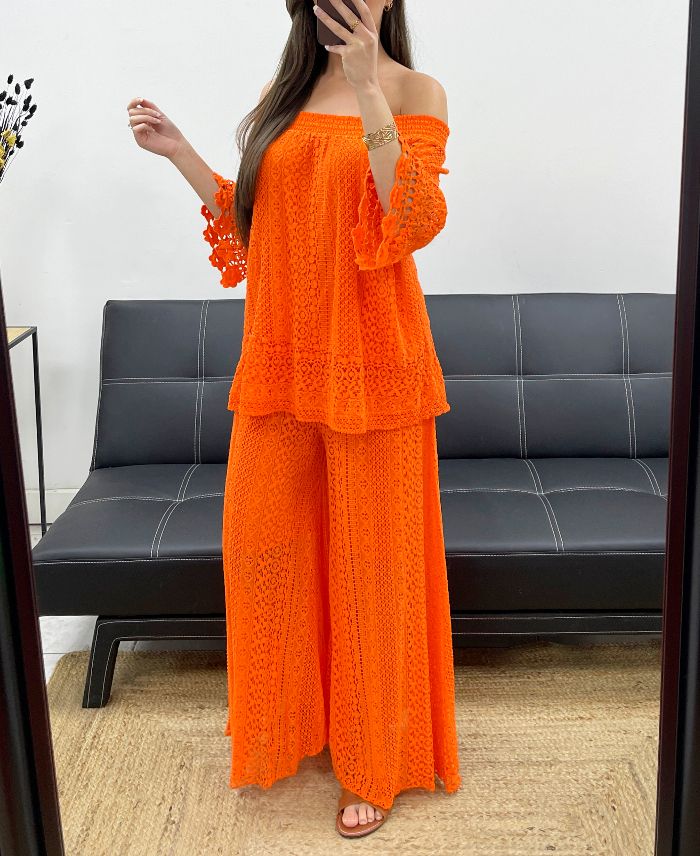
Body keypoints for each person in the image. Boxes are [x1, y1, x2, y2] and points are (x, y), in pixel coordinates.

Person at [126, 0, 461, 839]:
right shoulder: (285, 92)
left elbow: (412, 218)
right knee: (261, 557)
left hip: (374, 371)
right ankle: (298, 724)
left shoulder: (415, 90)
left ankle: (374, 762)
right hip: (281, 368)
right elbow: (259, 223)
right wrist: (182, 154)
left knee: (371, 573)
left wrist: (370, 90)